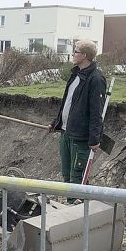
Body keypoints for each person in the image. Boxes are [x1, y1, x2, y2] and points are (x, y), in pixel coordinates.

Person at [48, 40, 106, 192]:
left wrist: (94, 139)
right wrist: (56, 122)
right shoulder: (75, 76)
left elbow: (96, 112)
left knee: (77, 177)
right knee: (67, 175)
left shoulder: (96, 79)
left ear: (85, 55)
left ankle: (77, 207)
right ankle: (72, 205)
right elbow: (67, 104)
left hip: (80, 137)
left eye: (76, 52)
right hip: (66, 133)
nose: (73, 54)